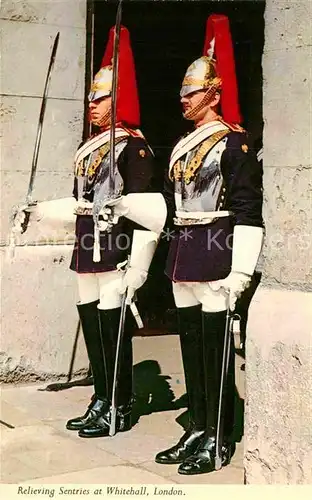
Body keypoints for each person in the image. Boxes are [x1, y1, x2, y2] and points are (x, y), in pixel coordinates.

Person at [13, 26, 166, 438]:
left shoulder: (133, 147)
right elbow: (79, 203)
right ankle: (101, 397)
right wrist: (39, 212)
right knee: (94, 330)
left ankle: (121, 403)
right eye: (92, 98)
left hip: (114, 249)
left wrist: (139, 267)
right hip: (86, 249)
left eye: (99, 98)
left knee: (113, 330)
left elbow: (147, 213)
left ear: (119, 100)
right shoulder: (90, 147)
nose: (91, 105)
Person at [155, 14, 264, 475]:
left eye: (193, 92)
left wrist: (240, 272)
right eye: (182, 93)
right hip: (184, 252)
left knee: (215, 351)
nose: (184, 100)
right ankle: (199, 423)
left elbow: (247, 211)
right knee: (191, 346)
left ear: (214, 94)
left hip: (218, 253)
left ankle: (220, 433)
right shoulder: (183, 144)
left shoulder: (233, 144)